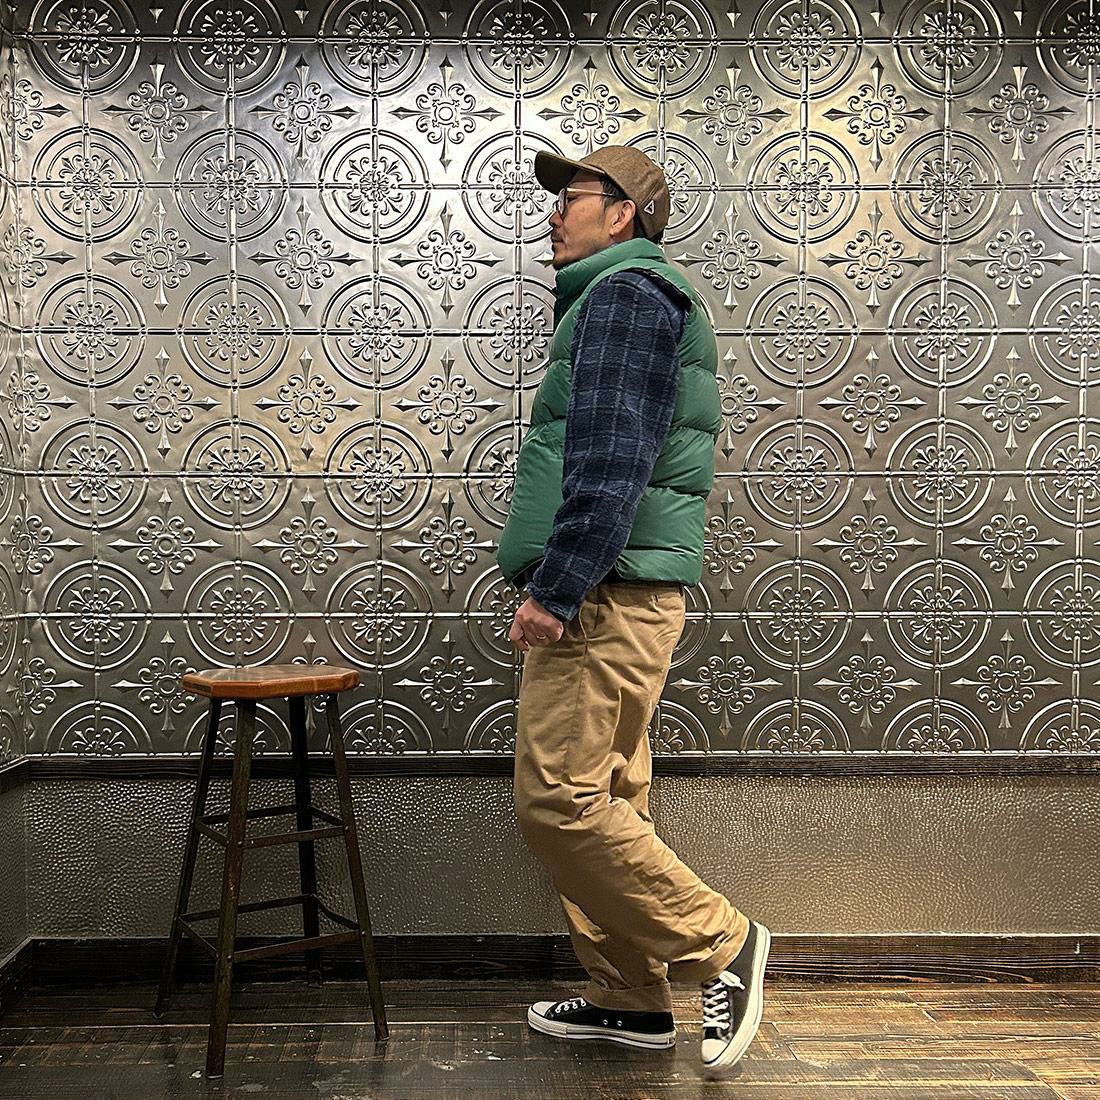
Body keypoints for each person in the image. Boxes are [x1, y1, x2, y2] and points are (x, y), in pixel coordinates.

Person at [495, 145, 770, 1075]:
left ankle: (723, 943)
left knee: (559, 804)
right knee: (607, 797)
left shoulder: (625, 296)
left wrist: (557, 588)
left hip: (602, 596)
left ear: (622, 215)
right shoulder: (627, 298)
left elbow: (613, 459)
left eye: (569, 197)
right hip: (621, 591)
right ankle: (630, 1001)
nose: (552, 214)